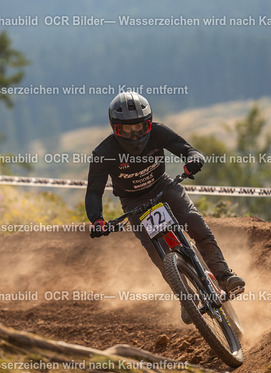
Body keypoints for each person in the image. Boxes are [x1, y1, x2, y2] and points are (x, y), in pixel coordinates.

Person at [85, 91, 245, 313]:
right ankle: (186, 298)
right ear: (115, 128)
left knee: (194, 223)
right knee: (156, 250)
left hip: (163, 187)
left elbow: (186, 149)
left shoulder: (158, 132)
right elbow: (94, 192)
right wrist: (97, 220)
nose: (134, 134)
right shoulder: (103, 153)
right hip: (133, 202)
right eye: (126, 129)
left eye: (139, 127)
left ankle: (224, 276)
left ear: (149, 123)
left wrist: (193, 159)